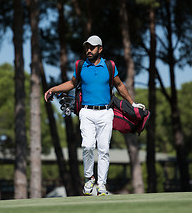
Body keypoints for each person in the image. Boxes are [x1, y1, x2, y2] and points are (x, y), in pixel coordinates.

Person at [44, 35, 145, 196]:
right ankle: (89, 178)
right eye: (87, 47)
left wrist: (132, 104)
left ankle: (102, 184)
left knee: (104, 150)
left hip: (106, 113)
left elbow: (119, 85)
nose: (88, 50)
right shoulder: (80, 65)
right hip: (86, 112)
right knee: (88, 146)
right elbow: (72, 83)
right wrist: (53, 89)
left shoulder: (110, 66)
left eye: (92, 47)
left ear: (100, 49)